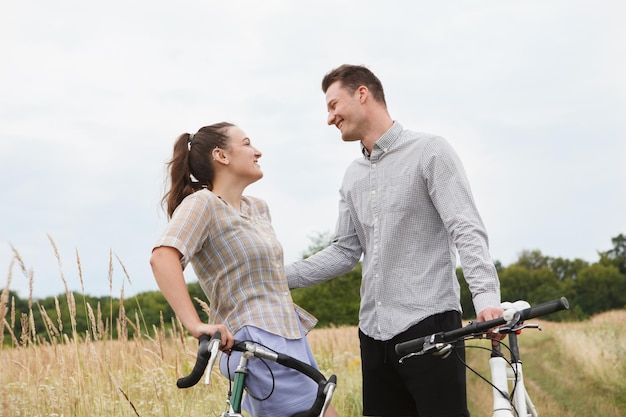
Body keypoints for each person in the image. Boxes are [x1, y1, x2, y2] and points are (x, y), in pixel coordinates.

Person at [285, 65, 504, 417]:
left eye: (332, 105)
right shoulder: (352, 176)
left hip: (431, 326)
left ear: (362, 94)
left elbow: (465, 227)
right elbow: (344, 251)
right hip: (373, 336)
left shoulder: (430, 151)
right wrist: (277, 278)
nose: (329, 118)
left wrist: (486, 299)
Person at [150, 122, 339, 417]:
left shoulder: (258, 208)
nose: (257, 151)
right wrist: (195, 325)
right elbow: (163, 257)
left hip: (289, 338)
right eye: (248, 143)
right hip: (255, 340)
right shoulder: (203, 204)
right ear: (221, 156)